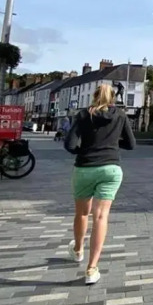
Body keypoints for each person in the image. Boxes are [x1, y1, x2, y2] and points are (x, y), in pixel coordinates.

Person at [64, 84, 135, 285]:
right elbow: (131, 144)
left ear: (94, 97)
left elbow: (69, 144)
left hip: (85, 168)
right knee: (101, 216)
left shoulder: (83, 115)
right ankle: (92, 268)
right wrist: (111, 145)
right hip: (111, 170)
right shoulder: (120, 115)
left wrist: (86, 150)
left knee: (82, 213)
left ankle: (78, 250)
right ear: (113, 98)